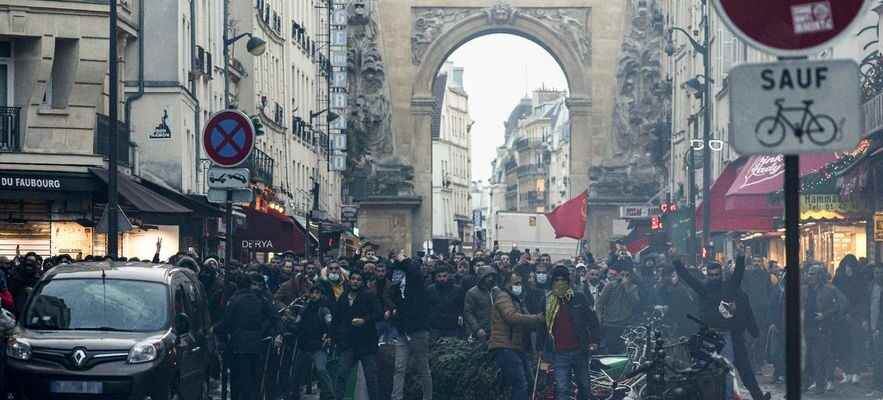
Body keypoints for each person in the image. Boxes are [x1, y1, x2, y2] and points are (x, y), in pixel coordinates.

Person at [673, 248, 770, 400]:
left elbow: (738, 276)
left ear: (721, 274)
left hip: (732, 335)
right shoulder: (704, 289)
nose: (714, 278)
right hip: (711, 337)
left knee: (744, 370)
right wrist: (676, 262)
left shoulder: (729, 287)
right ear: (707, 274)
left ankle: (757, 396)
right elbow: (688, 279)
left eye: (716, 275)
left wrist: (741, 257)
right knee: (710, 372)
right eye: (711, 275)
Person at [216, 272, 280, 400]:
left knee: (239, 379)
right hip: (257, 345)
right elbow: (275, 317)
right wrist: (278, 333)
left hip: (238, 346)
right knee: (255, 378)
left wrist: (215, 330)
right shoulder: (260, 299)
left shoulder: (234, 300)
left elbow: (226, 322)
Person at [542, 265, 600, 400]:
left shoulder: (578, 297)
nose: (560, 283)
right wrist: (541, 350)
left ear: (568, 282)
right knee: (562, 389)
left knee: (585, 386)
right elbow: (542, 327)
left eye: (563, 280)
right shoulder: (547, 301)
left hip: (579, 350)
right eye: (557, 280)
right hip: (559, 353)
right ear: (552, 282)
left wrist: (595, 341)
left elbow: (593, 321)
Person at [489, 271, 544, 400]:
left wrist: (538, 320)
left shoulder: (517, 300)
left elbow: (526, 319)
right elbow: (511, 317)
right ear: (507, 284)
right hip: (505, 346)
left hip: (516, 346)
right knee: (520, 383)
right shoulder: (503, 297)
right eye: (516, 283)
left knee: (528, 381)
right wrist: (537, 318)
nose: (519, 286)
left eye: (520, 283)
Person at [389, 251, 433, 400]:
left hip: (418, 331)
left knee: (423, 368)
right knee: (399, 367)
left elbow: (414, 271)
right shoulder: (397, 290)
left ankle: (427, 397)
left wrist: (403, 259)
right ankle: (396, 397)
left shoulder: (416, 284)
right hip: (403, 330)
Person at [333, 271, 382, 400]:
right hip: (348, 343)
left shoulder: (369, 296)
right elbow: (337, 319)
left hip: (366, 343)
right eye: (353, 279)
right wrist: (335, 336)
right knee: (342, 374)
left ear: (362, 282)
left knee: (371, 377)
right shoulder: (344, 297)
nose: (355, 281)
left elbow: (378, 313)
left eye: (358, 279)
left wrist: (364, 320)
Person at [803, 264, 847, 395]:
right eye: (809, 273)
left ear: (820, 276)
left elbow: (841, 304)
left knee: (819, 357)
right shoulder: (805, 289)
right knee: (806, 357)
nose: (809, 276)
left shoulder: (829, 289)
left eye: (812, 273)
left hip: (821, 328)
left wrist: (825, 315)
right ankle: (808, 383)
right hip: (806, 327)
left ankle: (821, 384)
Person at [287, 285, 335, 400]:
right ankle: (294, 394)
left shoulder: (324, 310)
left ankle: (330, 396)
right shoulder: (304, 309)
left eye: (317, 293)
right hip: (303, 345)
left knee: (321, 370)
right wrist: (289, 320)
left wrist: (328, 336)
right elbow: (297, 325)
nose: (314, 295)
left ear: (321, 295)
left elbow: (331, 325)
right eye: (312, 293)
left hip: (318, 346)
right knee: (296, 372)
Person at [832, 254, 869, 385]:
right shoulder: (840, 278)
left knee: (855, 345)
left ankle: (855, 372)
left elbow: (863, 300)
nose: (848, 269)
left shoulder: (858, 279)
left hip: (854, 317)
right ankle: (848, 372)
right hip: (844, 318)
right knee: (845, 345)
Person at [596, 268, 641, 353]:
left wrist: (627, 287)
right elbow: (600, 303)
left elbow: (635, 303)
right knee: (611, 349)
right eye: (622, 275)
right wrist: (600, 318)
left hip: (625, 324)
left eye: (627, 275)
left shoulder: (633, 288)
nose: (624, 277)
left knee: (624, 350)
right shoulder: (610, 286)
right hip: (610, 324)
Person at [427, 265, 466, 338]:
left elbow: (462, 307)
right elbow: (427, 307)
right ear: (435, 277)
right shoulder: (430, 290)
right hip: (435, 327)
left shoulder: (458, 290)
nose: (442, 278)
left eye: (444, 276)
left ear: (449, 276)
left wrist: (459, 319)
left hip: (452, 327)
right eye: (439, 276)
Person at [463, 266, 497, 341]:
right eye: (487, 276)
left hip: (496, 330)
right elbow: (468, 313)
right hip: (481, 330)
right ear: (482, 278)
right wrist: (477, 329)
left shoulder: (496, 291)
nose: (491, 278)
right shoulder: (472, 293)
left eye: (492, 276)